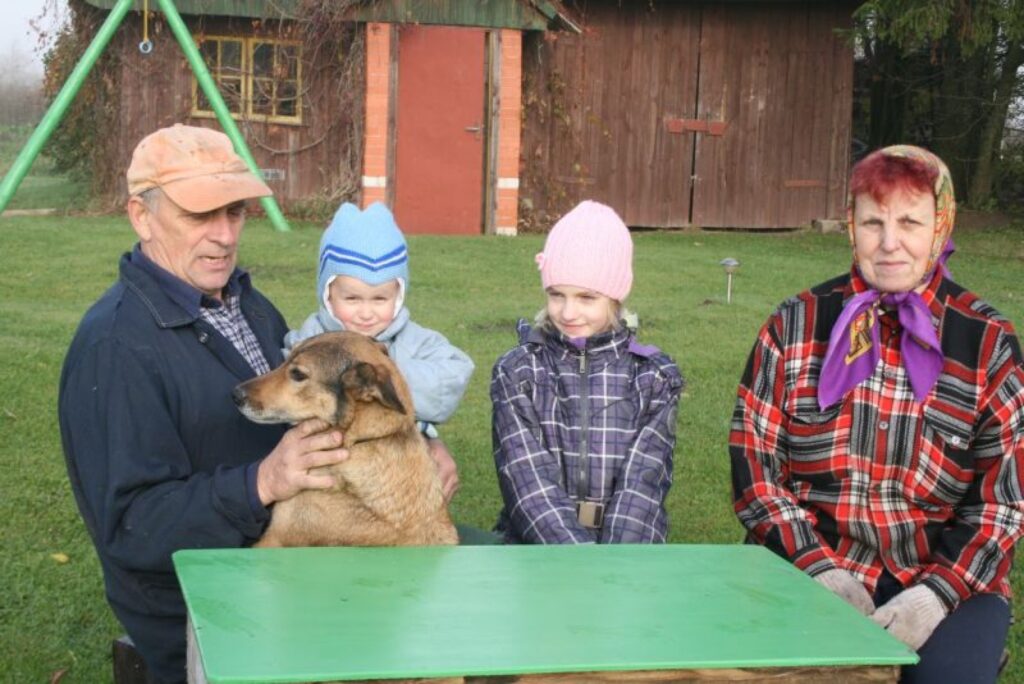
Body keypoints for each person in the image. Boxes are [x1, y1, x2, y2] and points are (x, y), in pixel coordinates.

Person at [58, 124, 349, 683]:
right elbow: (132, 527)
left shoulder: (245, 304)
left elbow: (306, 401)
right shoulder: (115, 348)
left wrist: (411, 444)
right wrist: (261, 482)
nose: (224, 236)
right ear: (141, 217)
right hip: (199, 610)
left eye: (235, 212)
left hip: (288, 562)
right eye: (199, 216)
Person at [730, 145, 1024, 683]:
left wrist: (935, 596)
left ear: (940, 226)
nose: (889, 243)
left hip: (944, 579)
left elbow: (1003, 503)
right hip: (808, 564)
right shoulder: (794, 325)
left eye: (909, 221)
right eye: (873, 222)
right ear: (851, 226)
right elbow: (755, 472)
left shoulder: (988, 342)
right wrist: (818, 570)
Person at [491, 200, 684, 544]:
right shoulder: (518, 370)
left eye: (586, 297)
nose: (568, 312)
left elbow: (643, 483)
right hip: (536, 547)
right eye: (556, 295)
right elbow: (526, 479)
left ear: (614, 297)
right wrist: (574, 558)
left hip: (627, 555)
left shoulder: (652, 377)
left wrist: (615, 564)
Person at [284, 201, 474, 501]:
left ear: (399, 295)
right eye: (352, 298)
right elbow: (294, 394)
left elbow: (450, 379)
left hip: (400, 470)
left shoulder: (415, 340)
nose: (366, 313)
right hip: (331, 468)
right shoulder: (312, 340)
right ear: (327, 294)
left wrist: (379, 374)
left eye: (380, 299)